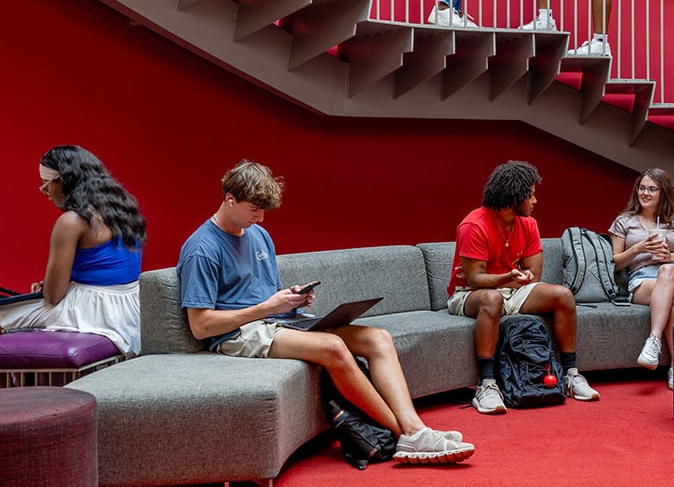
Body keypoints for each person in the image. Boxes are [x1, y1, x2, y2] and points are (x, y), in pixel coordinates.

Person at [178, 160, 473, 464]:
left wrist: (292, 299)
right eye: (254, 209)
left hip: (279, 321)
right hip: (239, 333)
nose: (261, 218)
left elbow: (267, 292)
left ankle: (416, 430)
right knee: (333, 346)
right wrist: (269, 307)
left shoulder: (257, 234)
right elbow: (201, 326)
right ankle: (409, 435)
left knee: (379, 338)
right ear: (230, 199)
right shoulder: (202, 248)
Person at [0, 145, 147, 362]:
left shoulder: (72, 221)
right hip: (130, 307)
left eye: (46, 183)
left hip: (94, 311)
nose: (45, 191)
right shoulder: (124, 212)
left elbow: (53, 296)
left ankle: (5, 395)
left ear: (64, 179)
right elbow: (104, 269)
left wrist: (51, 284)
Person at [448, 160, 600, 414]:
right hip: (468, 295)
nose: (534, 201)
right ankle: (487, 384)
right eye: (530, 194)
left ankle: (571, 375)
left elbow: (534, 274)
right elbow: (474, 280)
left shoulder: (528, 224)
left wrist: (509, 278)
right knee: (491, 300)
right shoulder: (474, 225)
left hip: (511, 289)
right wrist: (508, 277)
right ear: (514, 196)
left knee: (562, 295)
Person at [608, 168, 674, 391]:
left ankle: (653, 340)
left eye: (651, 189)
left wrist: (671, 257)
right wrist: (638, 248)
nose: (645, 193)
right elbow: (614, 263)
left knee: (667, 271)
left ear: (663, 193)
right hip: (642, 279)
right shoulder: (624, 221)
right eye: (641, 188)